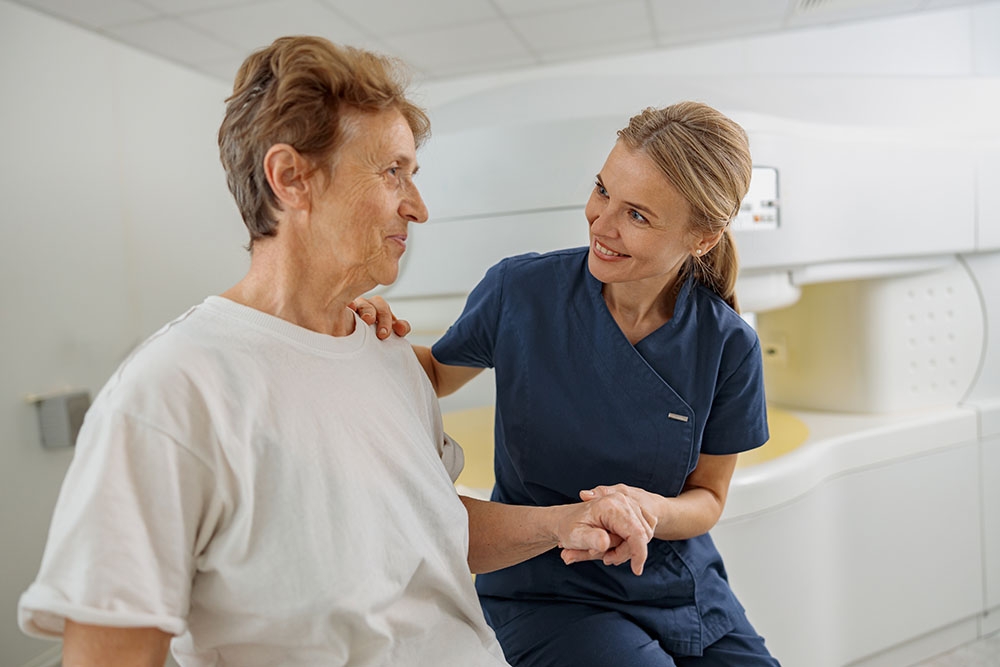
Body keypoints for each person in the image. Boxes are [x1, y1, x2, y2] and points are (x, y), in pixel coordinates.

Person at [17, 36, 655, 667]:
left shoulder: (386, 354)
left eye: (414, 173)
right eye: (392, 172)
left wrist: (559, 524)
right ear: (292, 178)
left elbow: (430, 531)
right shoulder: (173, 392)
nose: (420, 207)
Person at [359, 101, 780, 665]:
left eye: (637, 215)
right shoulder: (522, 291)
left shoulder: (727, 343)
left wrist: (642, 509)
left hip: (677, 589)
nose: (600, 225)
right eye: (602, 190)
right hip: (546, 588)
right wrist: (360, 335)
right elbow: (434, 374)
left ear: (700, 238)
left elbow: (707, 498)